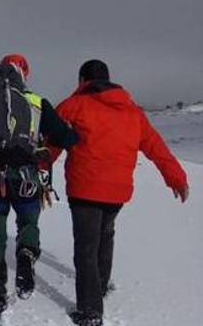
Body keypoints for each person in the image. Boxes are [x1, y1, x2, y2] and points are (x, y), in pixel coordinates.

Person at [49, 59, 189, 326]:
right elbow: (155, 146)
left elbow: (54, 139)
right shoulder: (132, 111)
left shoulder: (73, 104)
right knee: (106, 233)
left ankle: (91, 312)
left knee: (86, 248)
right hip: (118, 192)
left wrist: (40, 166)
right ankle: (100, 286)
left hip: (84, 188)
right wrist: (176, 177)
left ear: (82, 80)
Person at [0, 54, 79, 319]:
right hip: (27, 178)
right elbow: (65, 138)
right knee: (28, 225)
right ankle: (26, 254)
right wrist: (73, 133)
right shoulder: (37, 102)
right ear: (23, 74)